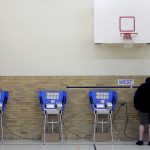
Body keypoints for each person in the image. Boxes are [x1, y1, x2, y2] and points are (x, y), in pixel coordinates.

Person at [134, 77, 150, 145]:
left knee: (142, 124)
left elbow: (136, 98)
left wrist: (137, 107)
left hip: (143, 109)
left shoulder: (141, 87)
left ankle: (140, 140)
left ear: (145, 81)